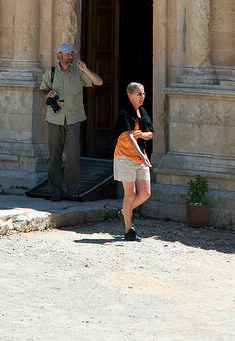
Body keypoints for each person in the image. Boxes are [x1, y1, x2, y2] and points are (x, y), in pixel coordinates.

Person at [40, 43, 103, 201]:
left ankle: (72, 189)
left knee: (73, 155)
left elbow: (99, 82)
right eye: (67, 54)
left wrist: (86, 70)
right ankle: (56, 191)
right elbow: (42, 90)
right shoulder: (51, 72)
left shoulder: (78, 72)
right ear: (59, 56)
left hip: (74, 119)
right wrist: (48, 94)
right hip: (55, 119)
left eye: (71, 54)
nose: (70, 56)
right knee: (54, 156)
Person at [113, 81, 154, 242]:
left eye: (143, 93)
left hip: (140, 156)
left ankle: (125, 211)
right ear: (130, 95)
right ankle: (128, 229)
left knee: (145, 193)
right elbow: (130, 136)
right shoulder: (125, 112)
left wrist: (142, 135)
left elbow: (150, 133)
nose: (142, 96)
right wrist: (142, 155)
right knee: (130, 193)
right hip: (125, 156)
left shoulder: (142, 111)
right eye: (139, 94)